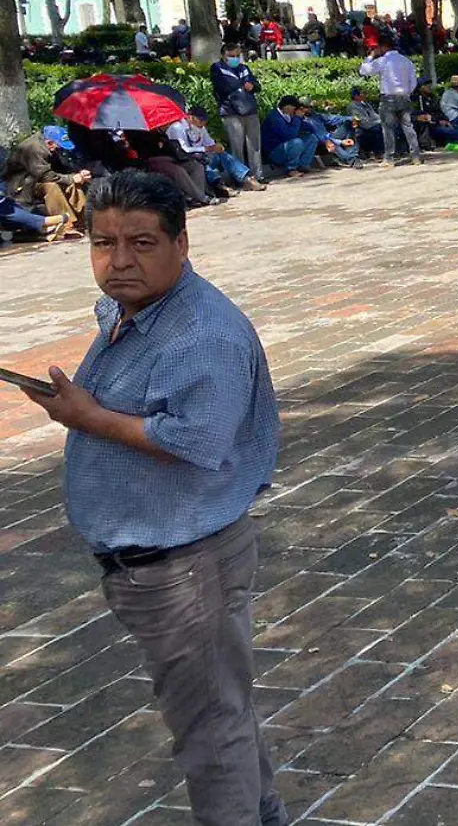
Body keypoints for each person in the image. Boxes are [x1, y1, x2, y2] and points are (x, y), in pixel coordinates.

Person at [16, 172, 288, 826]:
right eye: (102, 243)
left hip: (181, 565)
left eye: (141, 242)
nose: (119, 261)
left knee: (209, 725)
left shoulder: (202, 334)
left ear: (181, 243)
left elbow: (199, 439)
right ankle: (266, 812)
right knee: (220, 704)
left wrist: (87, 418)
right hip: (175, 555)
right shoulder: (132, 308)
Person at [5, 126, 93, 224]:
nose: (60, 149)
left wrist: (79, 174)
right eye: (59, 146)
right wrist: (71, 178)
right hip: (21, 187)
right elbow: (45, 176)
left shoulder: (49, 148)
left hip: (36, 181)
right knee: (51, 187)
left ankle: (87, 220)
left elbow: (61, 168)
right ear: (50, 143)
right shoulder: (35, 149)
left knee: (73, 185)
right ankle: (66, 224)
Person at [359, 38, 423, 167]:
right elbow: (413, 82)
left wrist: (371, 56)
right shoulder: (406, 61)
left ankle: (389, 158)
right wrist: (406, 93)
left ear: (383, 47)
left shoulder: (383, 61)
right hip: (404, 97)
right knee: (408, 127)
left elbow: (364, 70)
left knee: (388, 129)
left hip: (388, 97)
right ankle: (416, 156)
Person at [210, 43, 265, 176]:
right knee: (237, 146)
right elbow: (222, 87)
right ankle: (241, 177)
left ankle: (258, 174)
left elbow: (257, 85)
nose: (234, 58)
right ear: (223, 55)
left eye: (237, 55)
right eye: (231, 56)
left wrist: (252, 86)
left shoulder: (244, 68)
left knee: (254, 145)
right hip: (231, 111)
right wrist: (241, 84)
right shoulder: (217, 68)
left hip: (250, 109)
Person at [261, 96, 322, 178]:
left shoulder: (290, 116)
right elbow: (289, 135)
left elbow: (310, 128)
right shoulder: (275, 117)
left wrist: (301, 118)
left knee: (311, 138)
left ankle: (303, 165)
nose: (296, 110)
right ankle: (291, 169)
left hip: (286, 147)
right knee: (297, 142)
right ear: (287, 107)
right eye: (295, 107)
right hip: (274, 152)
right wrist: (297, 118)